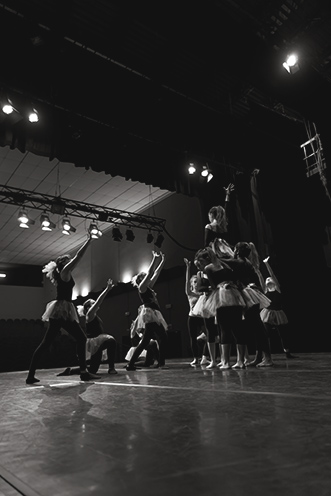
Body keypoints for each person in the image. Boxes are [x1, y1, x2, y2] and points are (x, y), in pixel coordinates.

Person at [26, 234, 100, 384]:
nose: (70, 261)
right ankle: (84, 372)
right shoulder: (65, 272)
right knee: (80, 338)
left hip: (62, 309)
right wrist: (88, 241)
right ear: (63, 264)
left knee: (47, 343)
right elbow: (78, 257)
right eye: (67, 260)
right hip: (62, 310)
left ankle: (30, 376)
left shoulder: (65, 274)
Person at [194, 247, 246, 369]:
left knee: (224, 328)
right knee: (238, 328)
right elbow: (239, 267)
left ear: (206, 259)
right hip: (234, 294)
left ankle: (226, 362)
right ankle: (241, 361)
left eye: (201, 261)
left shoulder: (208, 268)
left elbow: (213, 285)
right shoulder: (225, 264)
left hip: (221, 295)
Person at [57, 278, 118, 377]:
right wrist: (107, 289)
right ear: (88, 308)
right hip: (94, 342)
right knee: (111, 342)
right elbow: (99, 301)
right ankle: (111, 368)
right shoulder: (90, 314)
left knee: (93, 369)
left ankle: (70, 371)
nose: (95, 304)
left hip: (97, 343)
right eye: (93, 304)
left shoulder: (93, 315)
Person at [126, 251, 168, 371]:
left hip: (154, 313)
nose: (147, 277)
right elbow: (150, 273)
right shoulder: (142, 288)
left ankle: (132, 364)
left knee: (146, 340)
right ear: (141, 280)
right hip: (150, 313)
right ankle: (161, 363)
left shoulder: (148, 287)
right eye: (144, 277)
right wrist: (154, 258)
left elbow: (156, 273)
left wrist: (163, 261)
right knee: (161, 337)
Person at [260, 256, 297, 359]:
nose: (268, 278)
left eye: (269, 278)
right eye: (266, 279)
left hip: (278, 313)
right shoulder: (265, 291)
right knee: (266, 334)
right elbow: (260, 276)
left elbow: (272, 275)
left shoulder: (278, 290)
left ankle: (287, 352)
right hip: (267, 313)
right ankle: (266, 355)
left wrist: (266, 264)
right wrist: (256, 268)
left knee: (283, 334)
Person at [184, 258, 210, 366]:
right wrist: (188, 268)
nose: (196, 283)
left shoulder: (202, 293)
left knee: (210, 336)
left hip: (202, 317)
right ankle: (196, 358)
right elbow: (186, 282)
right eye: (194, 282)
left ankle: (205, 357)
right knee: (193, 339)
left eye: (197, 281)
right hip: (192, 318)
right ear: (191, 284)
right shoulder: (190, 293)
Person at [204, 183, 235, 248]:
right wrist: (227, 195)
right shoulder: (223, 226)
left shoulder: (209, 227)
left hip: (215, 253)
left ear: (211, 215)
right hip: (226, 250)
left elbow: (206, 244)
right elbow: (226, 209)